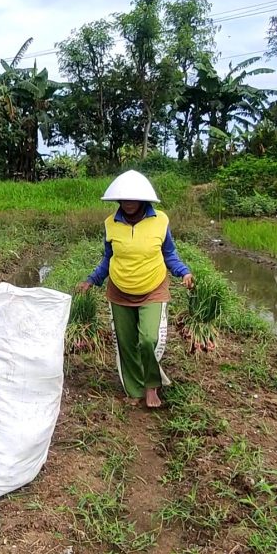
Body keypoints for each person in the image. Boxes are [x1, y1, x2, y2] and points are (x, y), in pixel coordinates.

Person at [76, 170, 193, 409]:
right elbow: (108, 259)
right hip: (119, 290)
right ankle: (134, 389)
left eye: (133, 198)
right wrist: (91, 280)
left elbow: (169, 254)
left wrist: (184, 272)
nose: (128, 202)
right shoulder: (111, 223)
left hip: (153, 287)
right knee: (126, 343)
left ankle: (151, 385)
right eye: (124, 198)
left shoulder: (160, 220)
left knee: (148, 339)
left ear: (143, 199)